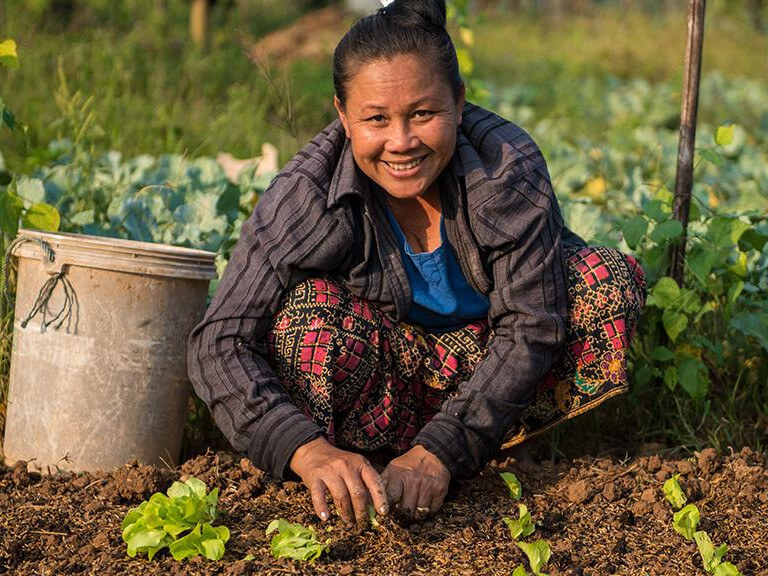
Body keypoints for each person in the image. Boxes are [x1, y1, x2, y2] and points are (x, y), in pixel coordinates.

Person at [187, 0, 645, 530]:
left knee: (603, 282)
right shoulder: (308, 195)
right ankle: (352, 465)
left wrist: (442, 449)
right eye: (376, 119)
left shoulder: (506, 167)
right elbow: (219, 340)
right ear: (343, 115)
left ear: (459, 101)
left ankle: (490, 444)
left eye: (423, 114)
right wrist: (306, 450)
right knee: (303, 319)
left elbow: (532, 325)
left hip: (489, 364)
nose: (401, 142)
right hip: (384, 371)